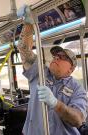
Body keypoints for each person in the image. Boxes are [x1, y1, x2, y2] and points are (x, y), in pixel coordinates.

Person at [17, 5, 88, 135]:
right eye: (55, 56)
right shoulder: (39, 72)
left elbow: (78, 119)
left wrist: (56, 104)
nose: (56, 58)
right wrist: (28, 24)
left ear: (71, 69)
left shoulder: (78, 89)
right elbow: (24, 49)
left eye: (62, 57)